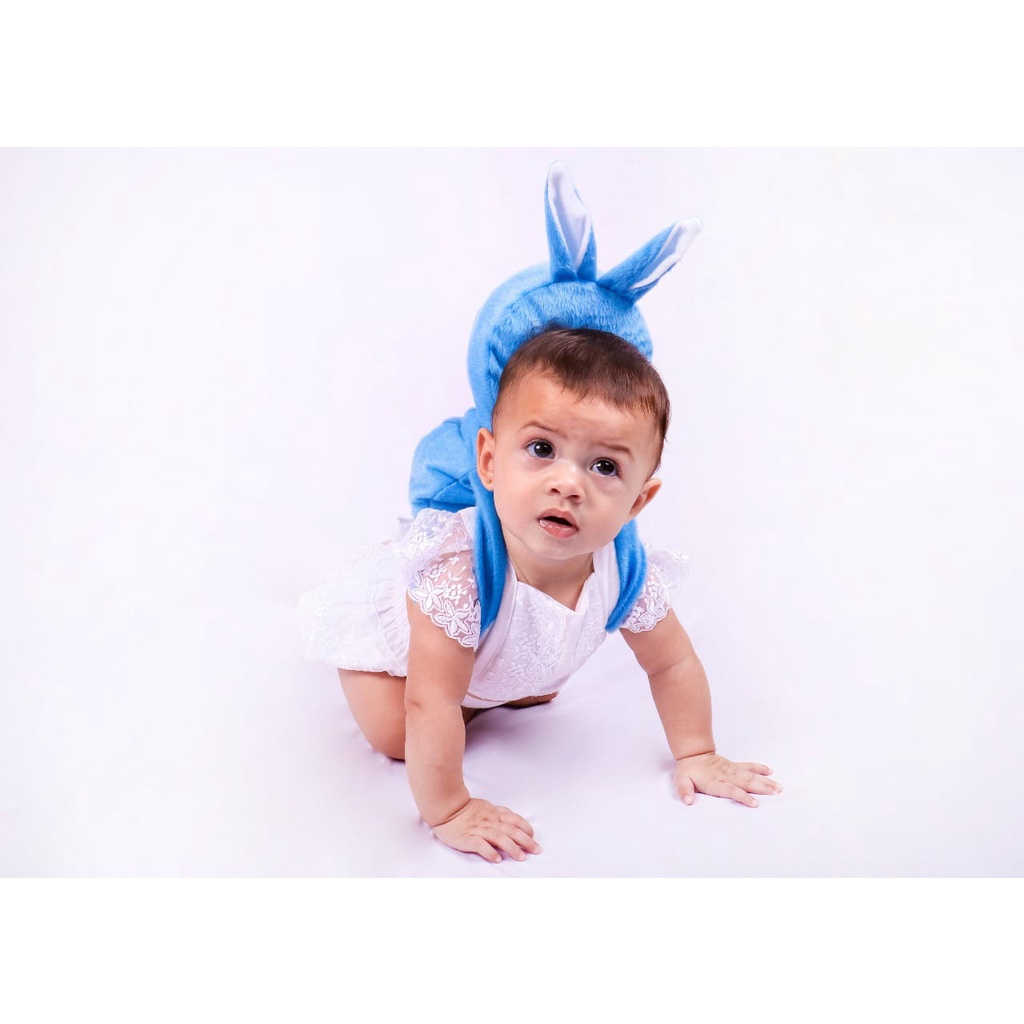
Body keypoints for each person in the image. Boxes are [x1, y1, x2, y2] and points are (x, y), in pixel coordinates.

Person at [298, 327, 782, 863]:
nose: (568, 484)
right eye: (542, 449)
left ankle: (487, 691)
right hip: (400, 659)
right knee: (397, 734)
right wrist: (451, 810)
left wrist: (698, 752)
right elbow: (429, 700)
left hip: (479, 664)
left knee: (513, 686)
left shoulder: (626, 571)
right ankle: (467, 695)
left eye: (605, 466)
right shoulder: (460, 574)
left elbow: (672, 664)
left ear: (637, 502)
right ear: (489, 461)